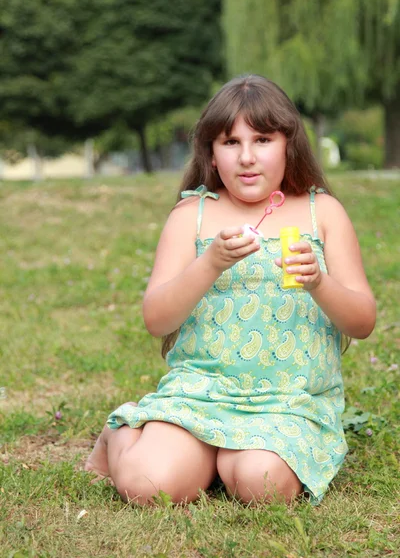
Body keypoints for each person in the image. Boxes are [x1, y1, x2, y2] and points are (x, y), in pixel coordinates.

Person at [85, 75, 376, 506]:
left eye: (262, 140)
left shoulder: (322, 213)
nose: (246, 157)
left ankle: (225, 459)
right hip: (200, 394)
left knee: (263, 485)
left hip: (288, 402)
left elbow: (363, 320)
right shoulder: (193, 215)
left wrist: (319, 282)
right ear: (211, 152)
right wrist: (211, 263)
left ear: (288, 145)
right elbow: (157, 319)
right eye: (229, 142)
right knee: (148, 485)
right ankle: (122, 435)